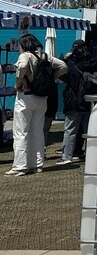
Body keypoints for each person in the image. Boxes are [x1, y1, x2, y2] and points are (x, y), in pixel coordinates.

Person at [7, 34, 67, 177]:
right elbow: (63, 66)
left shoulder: (25, 56)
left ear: (24, 45)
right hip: (42, 98)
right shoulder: (45, 56)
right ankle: (37, 164)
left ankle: (20, 166)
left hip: (26, 97)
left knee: (21, 132)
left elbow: (22, 66)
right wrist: (51, 79)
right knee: (38, 132)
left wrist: (18, 83)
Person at [59, 40, 97, 164]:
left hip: (74, 101)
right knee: (90, 130)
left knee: (70, 130)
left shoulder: (71, 66)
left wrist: (65, 59)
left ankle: (67, 156)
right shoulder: (94, 64)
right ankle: (92, 155)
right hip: (90, 101)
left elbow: (61, 74)